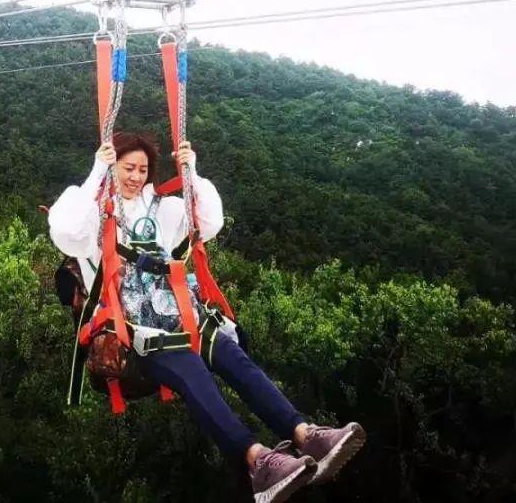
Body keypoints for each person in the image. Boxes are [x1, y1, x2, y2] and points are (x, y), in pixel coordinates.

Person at [49, 131, 365, 502]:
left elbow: (208, 222)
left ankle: (305, 435)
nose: (135, 177)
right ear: (112, 168)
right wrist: (96, 173)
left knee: (237, 360)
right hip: (141, 331)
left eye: (142, 169)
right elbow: (66, 231)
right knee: (195, 373)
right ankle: (257, 461)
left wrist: (191, 173)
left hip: (188, 315)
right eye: (127, 168)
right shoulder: (94, 215)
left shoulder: (162, 210)